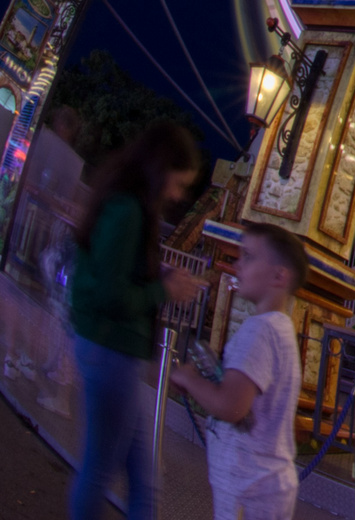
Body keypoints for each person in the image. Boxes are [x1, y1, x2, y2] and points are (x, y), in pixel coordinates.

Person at [69, 122, 203, 520]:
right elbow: (112, 294)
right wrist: (164, 291)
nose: (177, 195)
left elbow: (113, 275)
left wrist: (156, 277)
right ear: (160, 169)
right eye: (178, 184)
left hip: (114, 351)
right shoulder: (127, 209)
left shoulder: (123, 204)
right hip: (110, 351)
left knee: (142, 476)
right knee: (102, 469)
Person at [172, 222, 307, 520]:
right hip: (263, 482)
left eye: (248, 256)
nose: (238, 264)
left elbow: (231, 406)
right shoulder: (280, 328)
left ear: (278, 275)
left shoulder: (260, 331)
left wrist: (188, 379)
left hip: (250, 483)